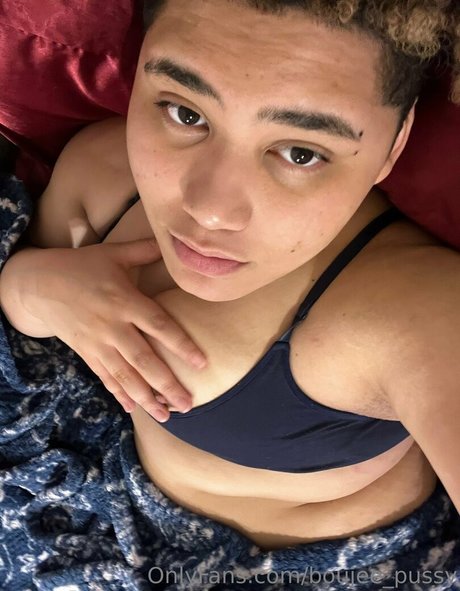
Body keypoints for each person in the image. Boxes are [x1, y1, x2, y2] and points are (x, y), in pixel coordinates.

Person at [0, 0, 459, 587]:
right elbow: (23, 331)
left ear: (393, 147)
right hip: (92, 507)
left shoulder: (412, 308)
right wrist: (33, 286)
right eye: (185, 112)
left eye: (301, 153)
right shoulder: (105, 174)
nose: (211, 210)